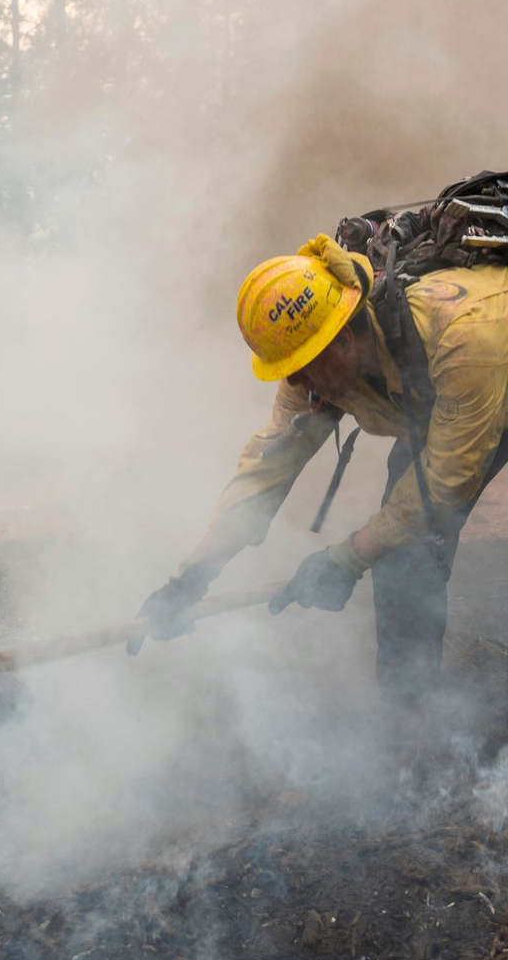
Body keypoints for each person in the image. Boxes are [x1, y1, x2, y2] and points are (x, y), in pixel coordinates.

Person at [132, 233, 508, 705]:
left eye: (301, 369)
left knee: (411, 517)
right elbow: (266, 470)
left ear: (345, 341)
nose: (293, 382)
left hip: (492, 375)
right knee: (402, 550)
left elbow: (445, 482)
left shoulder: (466, 335)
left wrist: (347, 557)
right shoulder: (316, 364)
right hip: (451, 409)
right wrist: (192, 577)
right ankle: (411, 707)